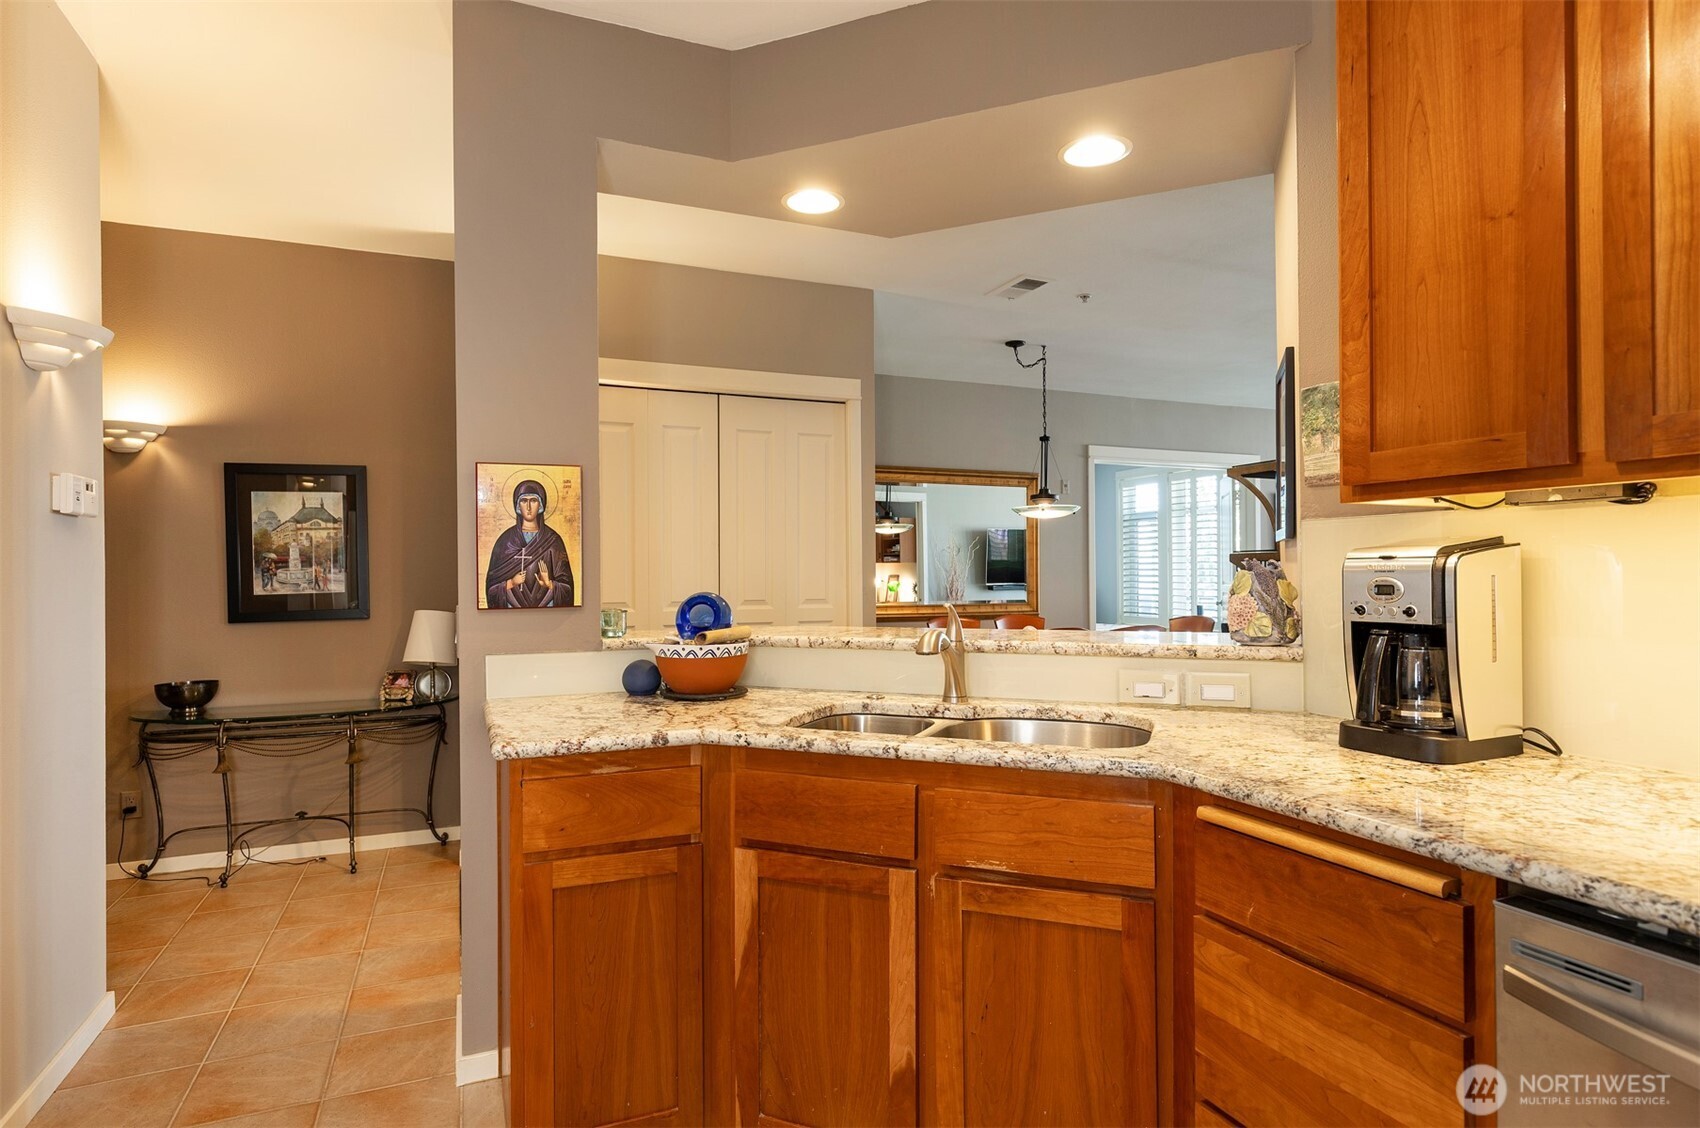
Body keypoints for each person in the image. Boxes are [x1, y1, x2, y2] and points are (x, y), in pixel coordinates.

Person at [484, 478, 574, 608]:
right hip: (511, 607)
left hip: (548, 609)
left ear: (541, 505)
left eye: (533, 500)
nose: (528, 507)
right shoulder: (505, 541)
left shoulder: (554, 541)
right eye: (524, 501)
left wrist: (550, 584)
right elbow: (491, 589)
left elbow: (567, 589)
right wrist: (510, 583)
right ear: (517, 506)